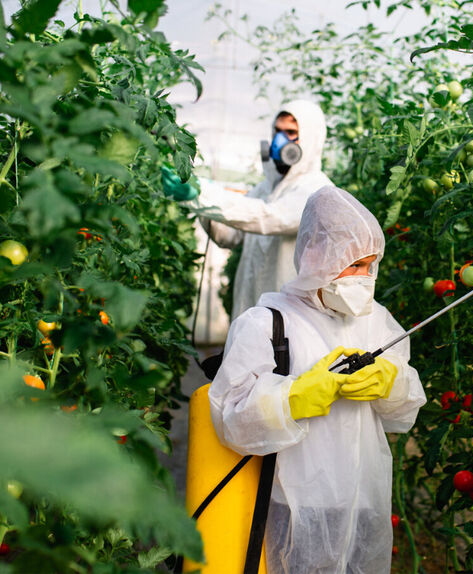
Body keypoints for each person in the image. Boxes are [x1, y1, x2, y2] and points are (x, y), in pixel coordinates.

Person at [208, 186, 427, 573]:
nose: (364, 278)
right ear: (314, 257)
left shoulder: (376, 321)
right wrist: (290, 399)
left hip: (362, 496)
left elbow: (404, 412)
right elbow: (231, 420)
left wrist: (392, 383)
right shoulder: (269, 323)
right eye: (353, 265)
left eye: (370, 265)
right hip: (295, 500)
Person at [162, 100, 333, 320]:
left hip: (291, 319)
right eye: (277, 131)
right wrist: (202, 204)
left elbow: (268, 217)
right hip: (253, 307)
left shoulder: (318, 190)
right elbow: (230, 236)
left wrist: (203, 193)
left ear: (311, 139)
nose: (280, 140)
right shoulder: (266, 188)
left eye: (291, 132)